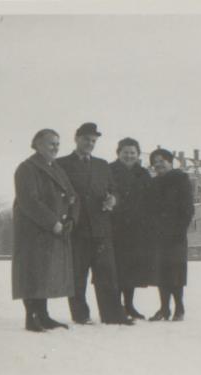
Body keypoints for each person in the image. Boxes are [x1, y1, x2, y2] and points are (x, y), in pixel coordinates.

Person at [57, 122, 133, 326]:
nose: (90, 143)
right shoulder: (62, 164)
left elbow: (113, 190)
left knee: (107, 273)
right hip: (77, 228)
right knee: (78, 276)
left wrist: (113, 200)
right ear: (76, 139)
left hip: (101, 228)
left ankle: (113, 315)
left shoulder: (102, 165)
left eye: (93, 141)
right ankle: (81, 315)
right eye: (86, 139)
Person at [12, 129, 78, 332]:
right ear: (37, 144)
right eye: (51, 143)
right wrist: (53, 223)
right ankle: (31, 318)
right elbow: (29, 201)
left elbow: (73, 196)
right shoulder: (27, 168)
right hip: (34, 231)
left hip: (54, 230)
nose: (56, 147)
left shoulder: (56, 168)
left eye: (57, 143)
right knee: (33, 272)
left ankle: (43, 315)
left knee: (46, 273)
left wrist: (71, 219)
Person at [148, 148, 194, 321]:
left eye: (162, 160)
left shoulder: (181, 179)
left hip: (176, 235)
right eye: (155, 162)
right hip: (158, 235)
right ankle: (164, 308)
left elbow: (188, 209)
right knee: (161, 272)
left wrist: (179, 231)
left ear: (170, 161)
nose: (158, 164)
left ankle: (179, 308)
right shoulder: (154, 183)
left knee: (176, 272)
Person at [109, 138, 152, 320]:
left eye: (133, 153)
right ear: (118, 153)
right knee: (116, 268)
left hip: (136, 228)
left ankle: (129, 305)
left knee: (132, 269)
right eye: (125, 152)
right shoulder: (109, 170)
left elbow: (150, 198)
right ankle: (115, 306)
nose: (129, 156)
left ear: (138, 154)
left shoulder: (143, 173)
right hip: (115, 227)